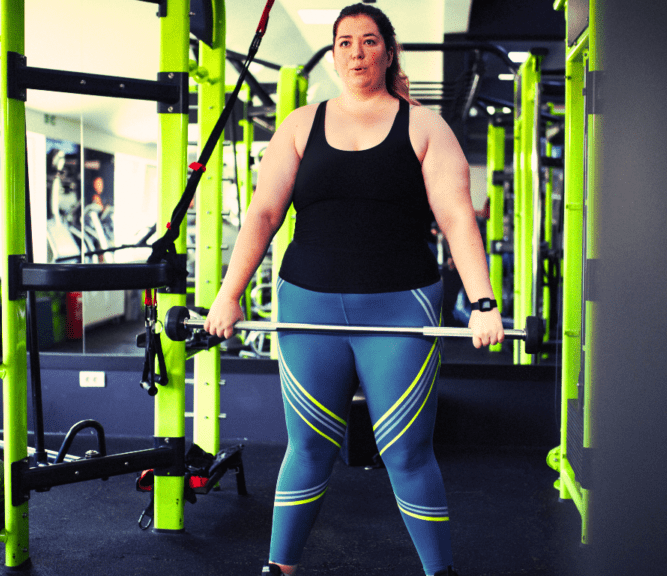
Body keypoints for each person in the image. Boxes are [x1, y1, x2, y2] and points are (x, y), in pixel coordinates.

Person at [203, 4, 504, 575]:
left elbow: (460, 219)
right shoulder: (299, 124)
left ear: (388, 52)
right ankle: (280, 568)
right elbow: (263, 213)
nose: (357, 52)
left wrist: (483, 300)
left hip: (400, 309)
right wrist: (228, 293)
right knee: (308, 448)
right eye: (345, 42)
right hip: (306, 306)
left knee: (407, 453)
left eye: (369, 42)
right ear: (335, 55)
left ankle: (441, 572)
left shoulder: (423, 126)